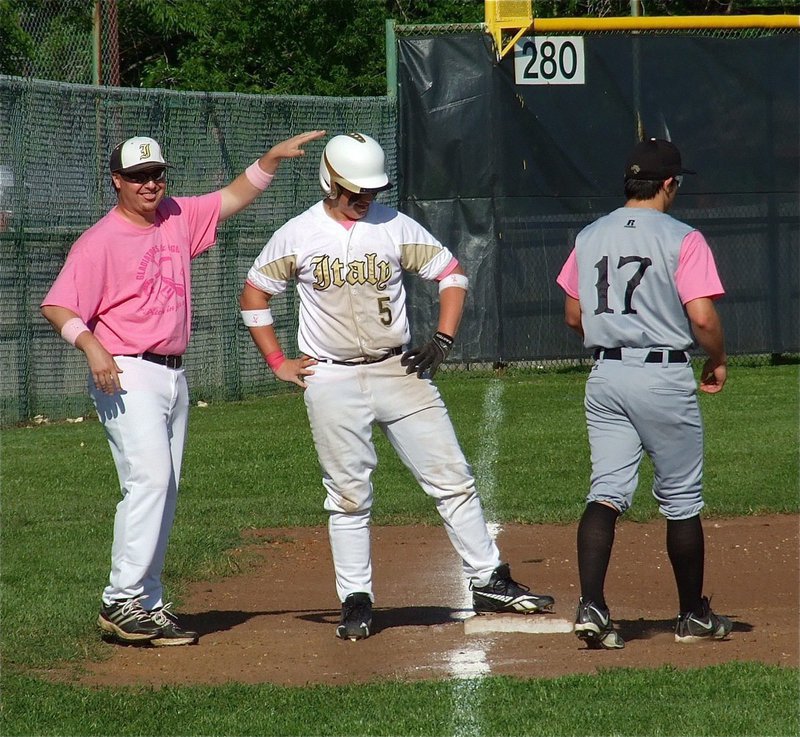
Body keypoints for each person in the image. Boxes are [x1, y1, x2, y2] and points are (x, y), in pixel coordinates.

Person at [240, 132, 554, 641]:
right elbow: (254, 294)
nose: (363, 199)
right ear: (329, 181)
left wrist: (444, 339)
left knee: (451, 477)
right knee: (347, 494)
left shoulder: (393, 226)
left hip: (397, 370)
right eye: (352, 190)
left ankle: (489, 578)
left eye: (371, 190)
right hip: (331, 375)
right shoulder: (298, 234)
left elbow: (451, 275)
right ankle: (356, 599)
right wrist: (277, 360)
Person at [41, 129, 326, 647]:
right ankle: (120, 599)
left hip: (172, 373)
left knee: (162, 488)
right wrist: (92, 345)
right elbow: (57, 304)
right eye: (138, 176)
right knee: (148, 480)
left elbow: (232, 197)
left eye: (156, 173)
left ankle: (144, 601)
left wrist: (270, 158)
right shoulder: (100, 241)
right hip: (126, 371)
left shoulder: (175, 215)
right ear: (117, 182)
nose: (150, 184)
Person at [555, 138, 732, 650]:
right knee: (680, 498)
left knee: (606, 491)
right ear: (669, 184)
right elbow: (701, 316)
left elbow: (572, 315)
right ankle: (691, 617)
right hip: (662, 375)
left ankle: (591, 605)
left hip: (606, 377)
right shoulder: (683, 237)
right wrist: (718, 359)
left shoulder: (590, 234)